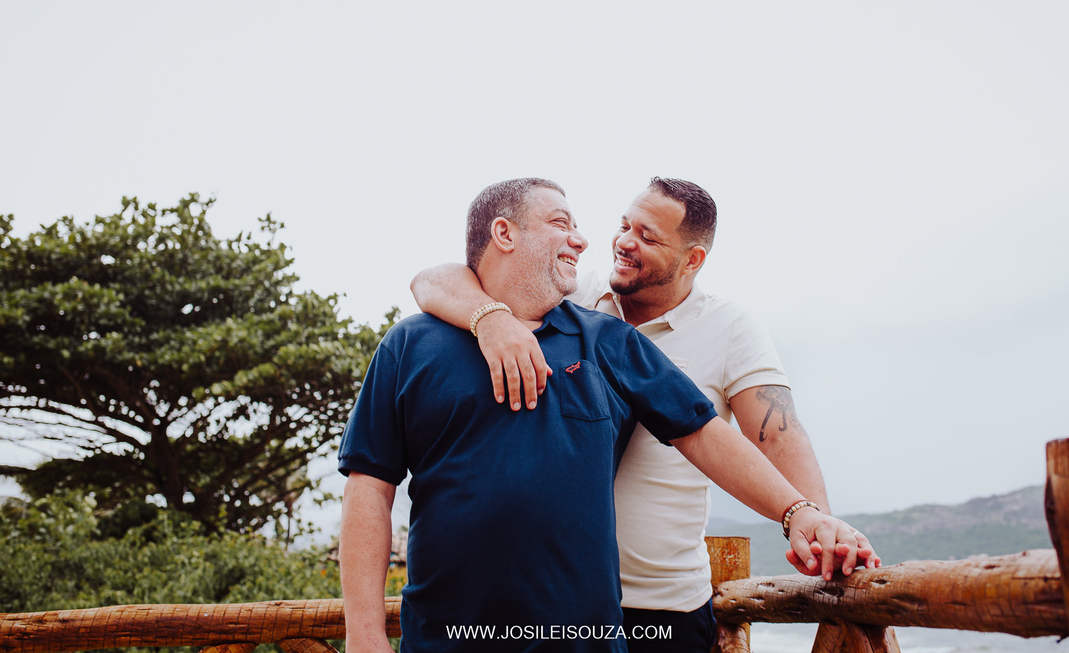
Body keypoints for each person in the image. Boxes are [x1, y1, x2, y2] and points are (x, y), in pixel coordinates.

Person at [342, 178, 876, 653]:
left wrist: (803, 514)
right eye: (561, 223)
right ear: (505, 234)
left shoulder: (608, 339)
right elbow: (370, 486)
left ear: (691, 259)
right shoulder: (408, 344)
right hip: (443, 637)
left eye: (647, 236)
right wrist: (364, 634)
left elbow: (707, 433)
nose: (587, 239)